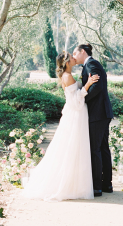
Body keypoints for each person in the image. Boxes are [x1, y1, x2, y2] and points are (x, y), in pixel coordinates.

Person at [22, 51, 99, 201]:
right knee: (72, 148)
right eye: (71, 56)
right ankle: (70, 185)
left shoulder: (67, 75)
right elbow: (75, 102)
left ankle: (75, 184)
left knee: (74, 148)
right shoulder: (68, 77)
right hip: (76, 115)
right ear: (67, 62)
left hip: (76, 114)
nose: (74, 57)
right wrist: (88, 85)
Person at [73, 43, 114, 197]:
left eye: (75, 53)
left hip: (97, 113)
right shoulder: (91, 64)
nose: (74, 57)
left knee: (95, 149)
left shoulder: (91, 64)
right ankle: (106, 184)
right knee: (102, 148)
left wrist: (83, 99)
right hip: (103, 113)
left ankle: (97, 186)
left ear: (82, 52)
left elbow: (97, 87)